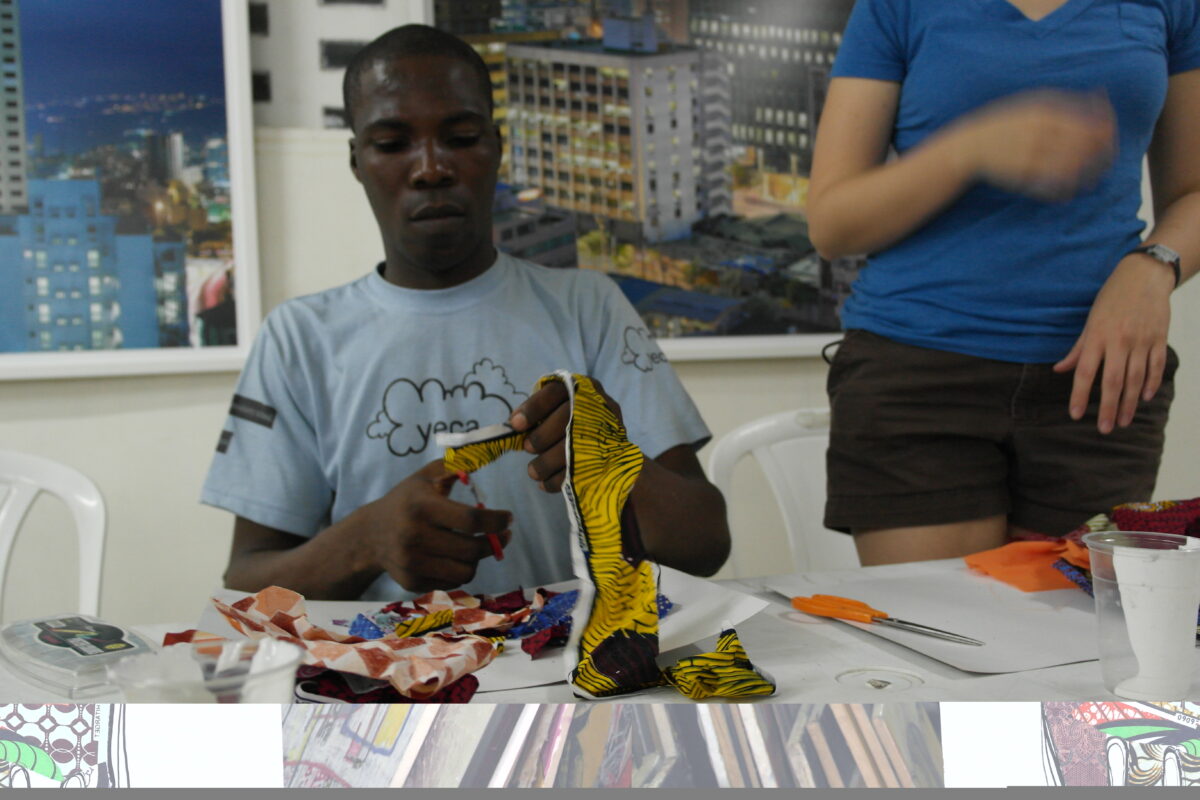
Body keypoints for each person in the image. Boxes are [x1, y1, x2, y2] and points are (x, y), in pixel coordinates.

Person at [200, 25, 729, 601]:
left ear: (497, 147)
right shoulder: (301, 338)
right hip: (385, 660)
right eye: (392, 143)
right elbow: (244, 584)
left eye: (461, 137)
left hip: (571, 656)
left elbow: (707, 544)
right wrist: (366, 541)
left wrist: (618, 469)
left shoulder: (587, 307)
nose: (431, 168)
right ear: (357, 161)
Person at [807, 0, 1200, 565]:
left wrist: (1153, 266)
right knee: (936, 620)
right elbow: (832, 226)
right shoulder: (896, 6)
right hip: (919, 373)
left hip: (1102, 375)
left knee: (1077, 623)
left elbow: (1192, 193)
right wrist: (972, 148)